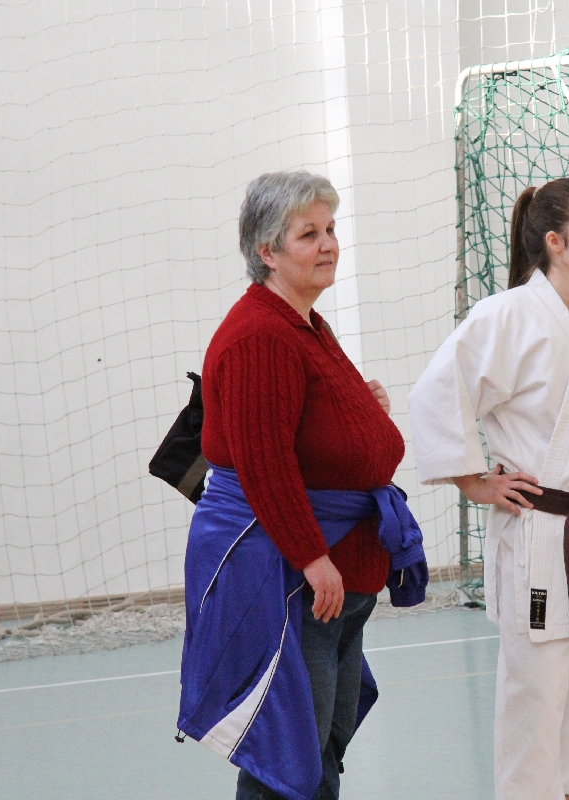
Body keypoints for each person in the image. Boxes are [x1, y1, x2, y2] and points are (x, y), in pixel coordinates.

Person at [409, 178, 569, 800]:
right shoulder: (505, 317)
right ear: (555, 241)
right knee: (536, 692)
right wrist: (474, 481)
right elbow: (438, 394)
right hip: (541, 532)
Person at [175, 170, 426, 800]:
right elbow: (265, 464)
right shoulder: (260, 335)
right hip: (293, 576)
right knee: (287, 755)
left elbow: (308, 429)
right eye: (308, 234)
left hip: (337, 569)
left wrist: (360, 413)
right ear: (268, 251)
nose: (328, 244)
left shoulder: (303, 323)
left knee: (321, 747)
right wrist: (312, 558)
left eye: (331, 229)